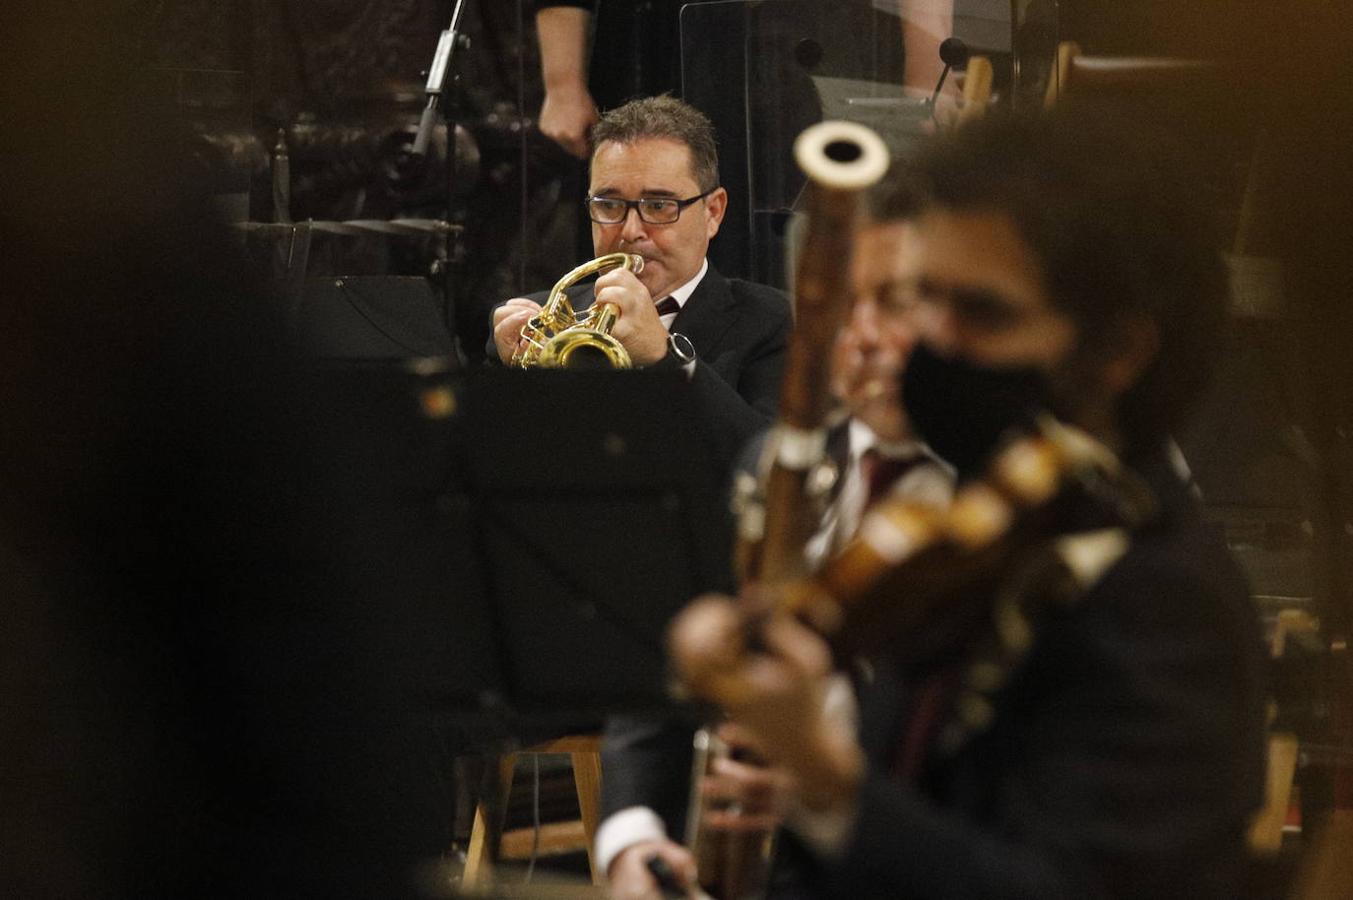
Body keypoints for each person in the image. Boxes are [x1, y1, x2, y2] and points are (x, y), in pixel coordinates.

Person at [668, 110, 1268, 898]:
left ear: (1118, 352)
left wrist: (825, 779)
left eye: (983, 313)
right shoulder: (975, 536)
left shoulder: (1163, 601)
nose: (931, 344)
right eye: (925, 300)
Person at [597, 184, 956, 900]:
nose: (860, 341)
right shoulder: (771, 464)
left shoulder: (1010, 504)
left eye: (895, 303)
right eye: (833, 310)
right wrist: (630, 842)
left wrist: (818, 781)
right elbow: (657, 684)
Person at [491, 95, 791, 449]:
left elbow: (772, 470)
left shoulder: (773, 321)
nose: (631, 230)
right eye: (609, 204)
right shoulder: (538, 323)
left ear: (713, 212)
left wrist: (666, 358)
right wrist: (511, 388)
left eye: (659, 205)